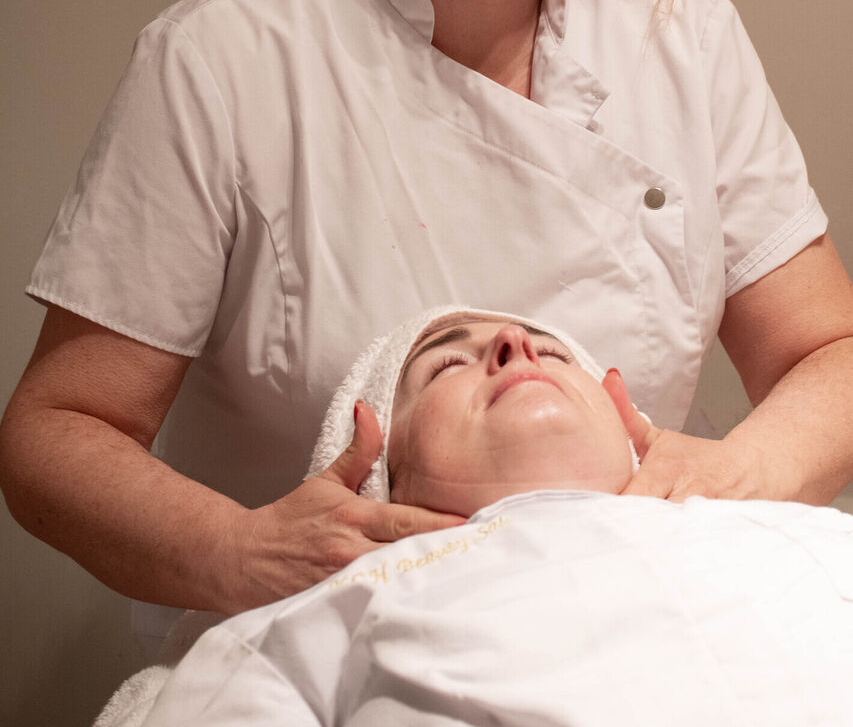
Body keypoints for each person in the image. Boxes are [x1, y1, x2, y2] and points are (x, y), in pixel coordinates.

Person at [2, 0, 852, 646]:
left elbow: (831, 352)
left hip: (631, 621)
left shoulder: (686, 42)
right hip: (324, 639)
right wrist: (238, 552)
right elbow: (56, 432)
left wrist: (735, 476)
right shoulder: (225, 60)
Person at [102, 309, 853, 726]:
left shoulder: (794, 532)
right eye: (444, 364)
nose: (515, 343)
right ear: (379, 476)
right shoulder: (333, 607)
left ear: (627, 423)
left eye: (555, 352)